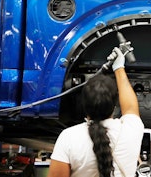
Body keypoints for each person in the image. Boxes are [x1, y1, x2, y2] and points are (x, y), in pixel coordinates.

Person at [47, 47, 144, 177]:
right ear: (114, 105)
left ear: (84, 105)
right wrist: (119, 68)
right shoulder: (131, 129)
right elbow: (131, 107)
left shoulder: (69, 137)